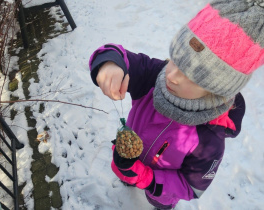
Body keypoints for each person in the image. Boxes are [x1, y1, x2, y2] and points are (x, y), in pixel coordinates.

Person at [88, 0, 264, 209]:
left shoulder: (210, 139)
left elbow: (191, 186)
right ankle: (127, 178)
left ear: (216, 89)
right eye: (175, 60)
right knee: (126, 172)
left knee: (160, 200)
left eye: (191, 76)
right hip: (128, 157)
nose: (171, 75)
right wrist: (109, 64)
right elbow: (121, 56)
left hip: (161, 187)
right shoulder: (155, 76)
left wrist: (147, 179)